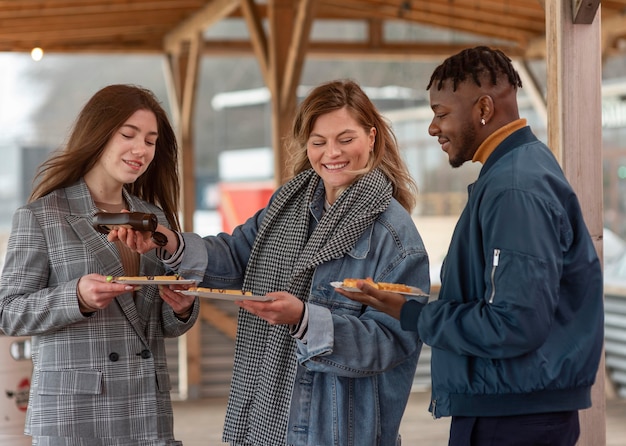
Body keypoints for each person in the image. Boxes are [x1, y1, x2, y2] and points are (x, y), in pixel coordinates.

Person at [112, 79, 430, 445]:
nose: (332, 154)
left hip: (335, 431)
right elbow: (234, 255)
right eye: (318, 142)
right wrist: (168, 241)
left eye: (346, 139)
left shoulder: (394, 235)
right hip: (267, 424)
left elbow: (393, 342)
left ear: (371, 138)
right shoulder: (288, 203)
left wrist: (305, 319)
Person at [338, 46, 604, 446]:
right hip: (512, 405)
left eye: (441, 113)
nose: (432, 128)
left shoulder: (515, 187)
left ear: (483, 108)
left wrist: (415, 315)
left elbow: (514, 324)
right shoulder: (514, 172)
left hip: (514, 420)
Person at [0, 84, 198, 446]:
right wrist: (76, 297)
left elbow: (157, 326)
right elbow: (8, 312)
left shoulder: (153, 218)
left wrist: (182, 309)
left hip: (146, 410)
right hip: (75, 415)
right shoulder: (42, 215)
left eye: (151, 141)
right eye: (128, 135)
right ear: (98, 134)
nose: (141, 150)